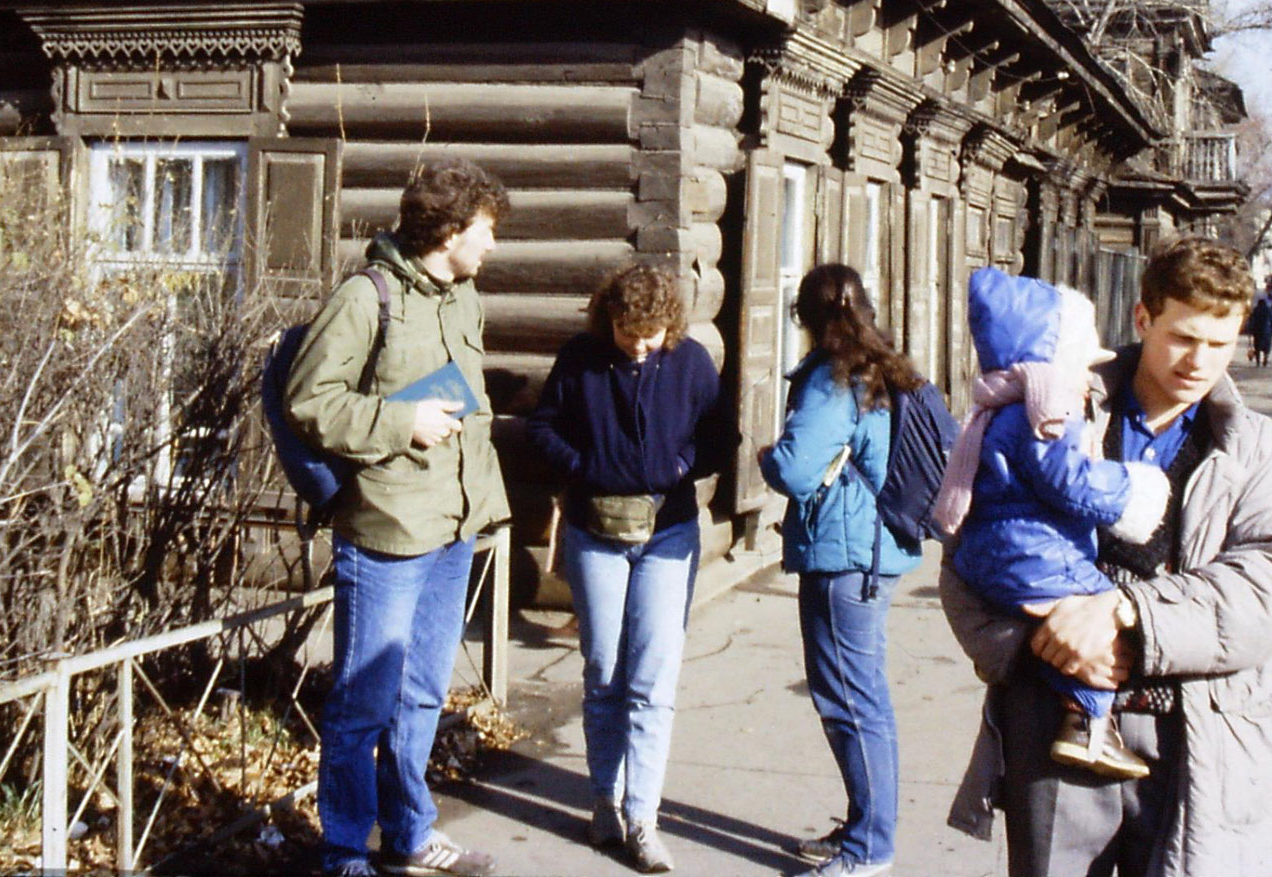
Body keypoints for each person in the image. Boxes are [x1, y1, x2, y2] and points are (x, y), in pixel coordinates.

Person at [939, 238, 1272, 877]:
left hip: (1199, 737)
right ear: (1143, 319)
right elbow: (966, 563)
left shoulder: (1258, 452)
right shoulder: (1050, 412)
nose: (1201, 362)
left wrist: (1127, 614)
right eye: (1183, 338)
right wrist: (1043, 640)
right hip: (1052, 726)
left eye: (1220, 343)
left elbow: (1269, 589)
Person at [285, 159, 512, 877]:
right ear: (448, 231)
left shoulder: (462, 295)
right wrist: (400, 419)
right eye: (485, 230)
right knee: (362, 700)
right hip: (386, 529)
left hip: (453, 524)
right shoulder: (365, 297)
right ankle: (345, 846)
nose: (493, 246)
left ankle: (409, 833)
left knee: (421, 693)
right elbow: (310, 400)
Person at [525, 265, 725, 875]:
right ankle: (604, 802)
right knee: (604, 670)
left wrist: (680, 466)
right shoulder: (580, 358)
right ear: (606, 318)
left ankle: (645, 819)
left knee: (652, 679)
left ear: (670, 324)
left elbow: (720, 435)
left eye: (651, 332)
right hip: (595, 533)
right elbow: (542, 426)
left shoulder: (691, 363)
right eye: (626, 330)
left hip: (668, 534)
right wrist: (584, 466)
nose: (638, 343)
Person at [942, 269, 1171, 782]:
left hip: (992, 550)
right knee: (1099, 607)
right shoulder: (1045, 407)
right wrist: (1132, 490)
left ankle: (1061, 699)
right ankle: (1090, 725)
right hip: (1034, 550)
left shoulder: (998, 404)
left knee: (1064, 619)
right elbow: (1069, 481)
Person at [759, 264, 924, 877]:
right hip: (872, 548)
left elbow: (798, 471)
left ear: (805, 316)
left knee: (851, 701)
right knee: (861, 695)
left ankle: (869, 847)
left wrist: (768, 458)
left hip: (845, 551)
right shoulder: (883, 366)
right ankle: (864, 825)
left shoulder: (834, 380)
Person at [1246, 293, 1272, 368]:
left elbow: (1251, 320)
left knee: (1257, 347)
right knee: (1267, 346)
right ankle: (1265, 357)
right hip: (1267, 331)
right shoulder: (1269, 310)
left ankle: (1258, 362)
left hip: (1257, 331)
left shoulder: (1256, 310)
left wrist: (1250, 330)